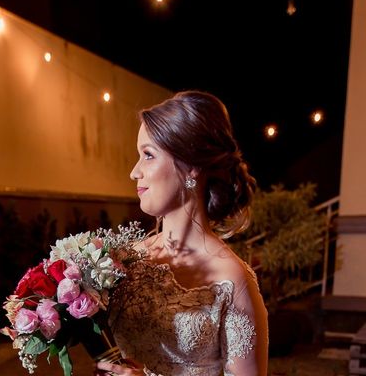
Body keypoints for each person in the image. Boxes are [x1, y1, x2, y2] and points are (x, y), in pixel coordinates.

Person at [95, 90, 268, 376]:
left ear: (192, 167)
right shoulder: (124, 260)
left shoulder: (233, 281)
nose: (134, 172)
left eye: (148, 155)